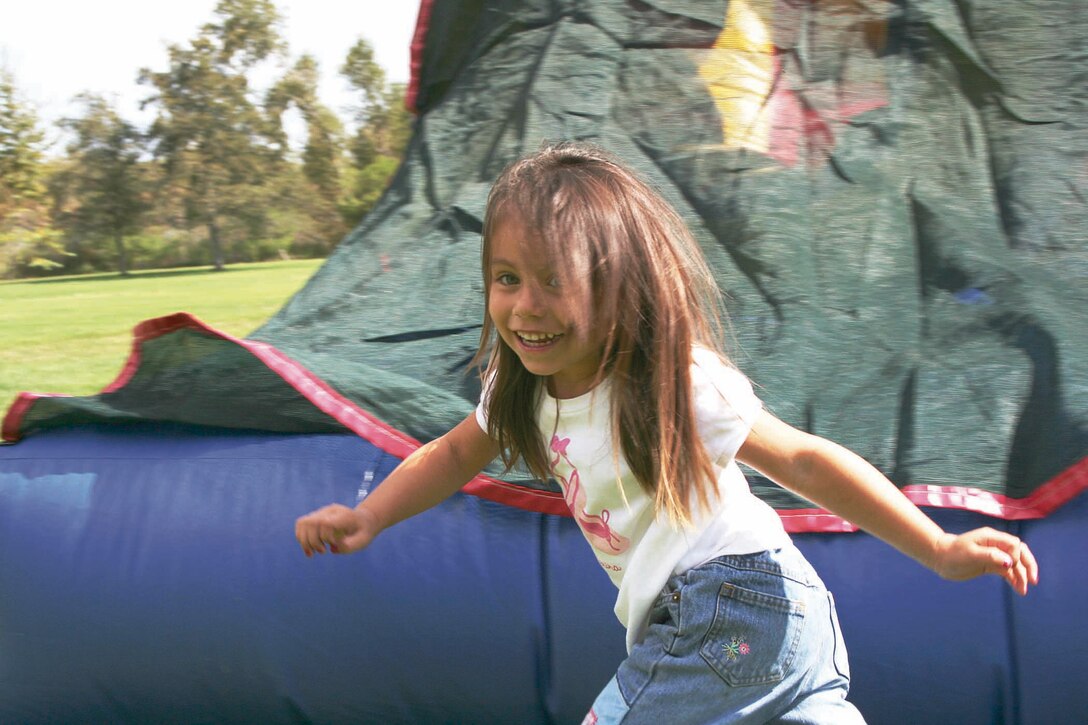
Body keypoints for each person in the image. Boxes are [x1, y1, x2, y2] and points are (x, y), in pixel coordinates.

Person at [295, 142, 1039, 724]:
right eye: (507, 277)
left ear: (617, 285)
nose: (525, 306)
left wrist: (938, 547)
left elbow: (805, 461)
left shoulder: (669, 380)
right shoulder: (521, 387)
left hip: (734, 604)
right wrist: (370, 515)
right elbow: (455, 452)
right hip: (770, 629)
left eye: (555, 279)